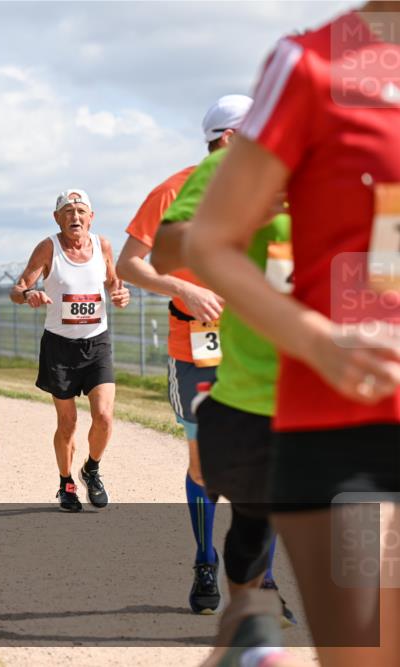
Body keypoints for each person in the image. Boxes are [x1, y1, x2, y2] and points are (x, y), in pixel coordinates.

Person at [180, 7, 399, 666]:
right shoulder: (311, 65)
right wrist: (318, 340)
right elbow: (210, 242)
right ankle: (252, 642)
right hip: (348, 416)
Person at [151, 122, 299, 652]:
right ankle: (207, 565)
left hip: (286, 372)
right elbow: (147, 259)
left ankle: (259, 594)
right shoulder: (186, 183)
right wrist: (189, 283)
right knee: (207, 471)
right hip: (203, 354)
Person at [117, 94, 254, 614]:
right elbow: (130, 264)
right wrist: (183, 288)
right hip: (195, 346)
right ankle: (204, 557)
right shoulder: (173, 191)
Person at [10, 190, 130, 511]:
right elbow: (18, 288)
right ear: (57, 218)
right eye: (67, 211)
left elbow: (114, 282)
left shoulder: (102, 245)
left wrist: (120, 294)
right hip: (59, 347)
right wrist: (29, 295)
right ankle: (66, 483)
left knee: (104, 416)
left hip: (97, 342)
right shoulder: (48, 247)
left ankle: (91, 468)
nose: (74, 217)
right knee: (68, 423)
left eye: (80, 211)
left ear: (91, 216)